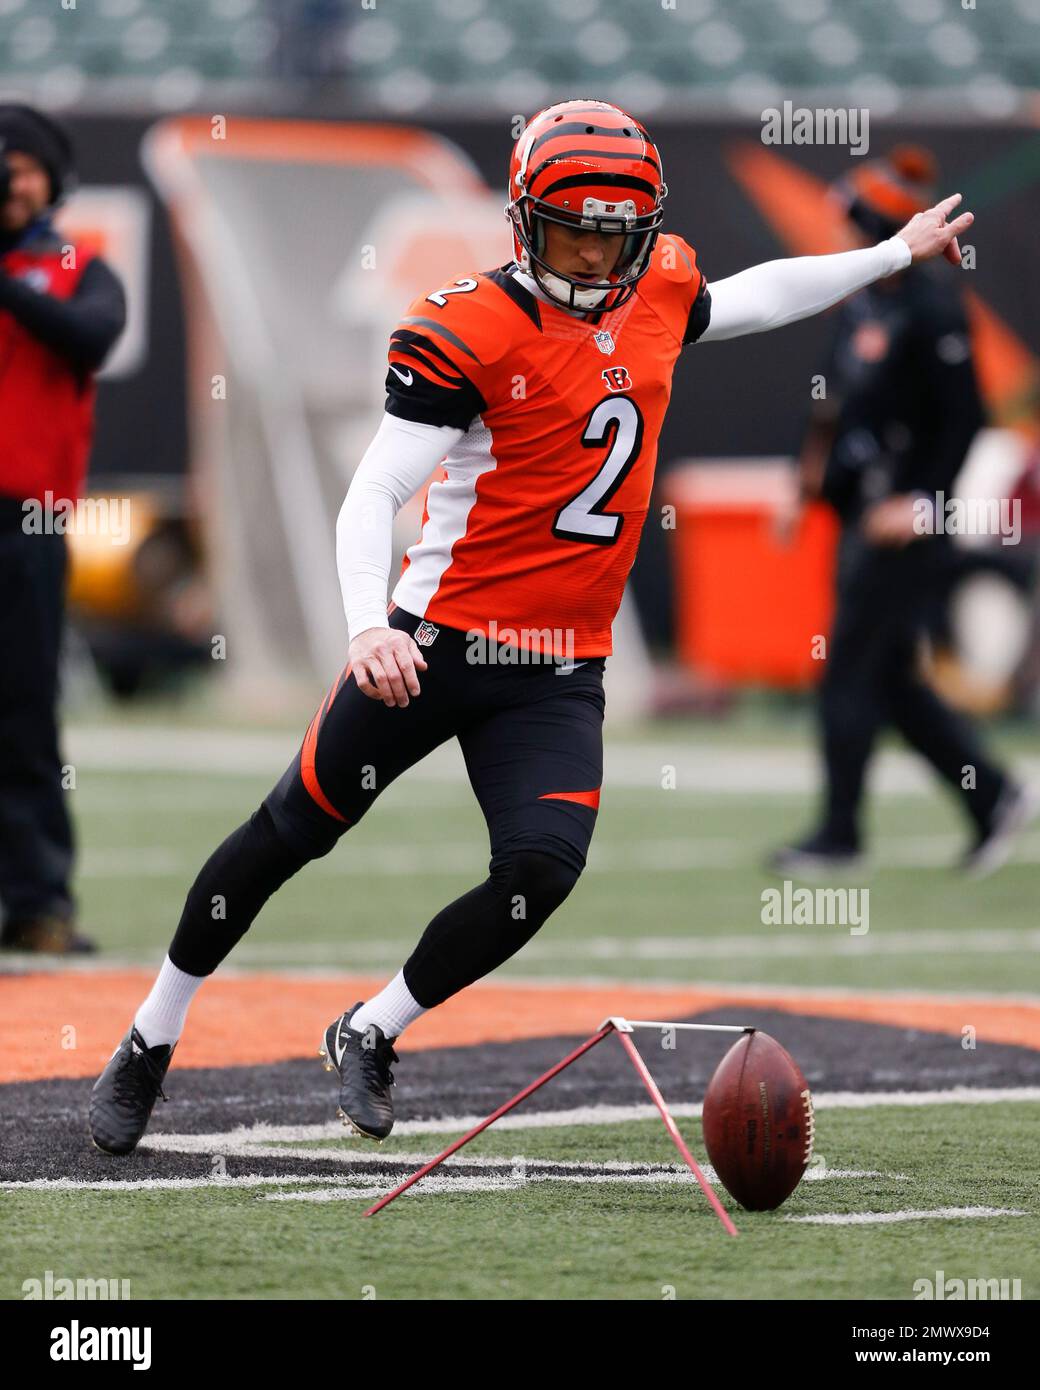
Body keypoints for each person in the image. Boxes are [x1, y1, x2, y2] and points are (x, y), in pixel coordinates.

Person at [90, 100, 974, 1154]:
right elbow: (371, 494)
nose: (595, 253)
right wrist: (367, 626)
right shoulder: (465, 326)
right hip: (435, 644)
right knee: (292, 832)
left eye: (614, 231)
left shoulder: (657, 288)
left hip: (557, 665)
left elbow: (750, 296)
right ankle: (150, 1034)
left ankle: (372, 1027)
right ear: (521, 220)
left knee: (540, 872)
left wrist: (885, 253)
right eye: (572, 228)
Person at [770, 147, 1036, 879]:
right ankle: (993, 796)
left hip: (904, 522)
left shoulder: (932, 304)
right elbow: (832, 399)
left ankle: (839, 833)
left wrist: (922, 503)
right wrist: (806, 483)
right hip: (859, 508)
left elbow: (963, 419)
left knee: (850, 670)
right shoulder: (866, 295)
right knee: (887, 677)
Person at [0, 105, 126, 954]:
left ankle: (40, 900)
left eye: (22, 167)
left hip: (25, 522)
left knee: (22, 712)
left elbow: (92, 337)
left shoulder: (82, 266)